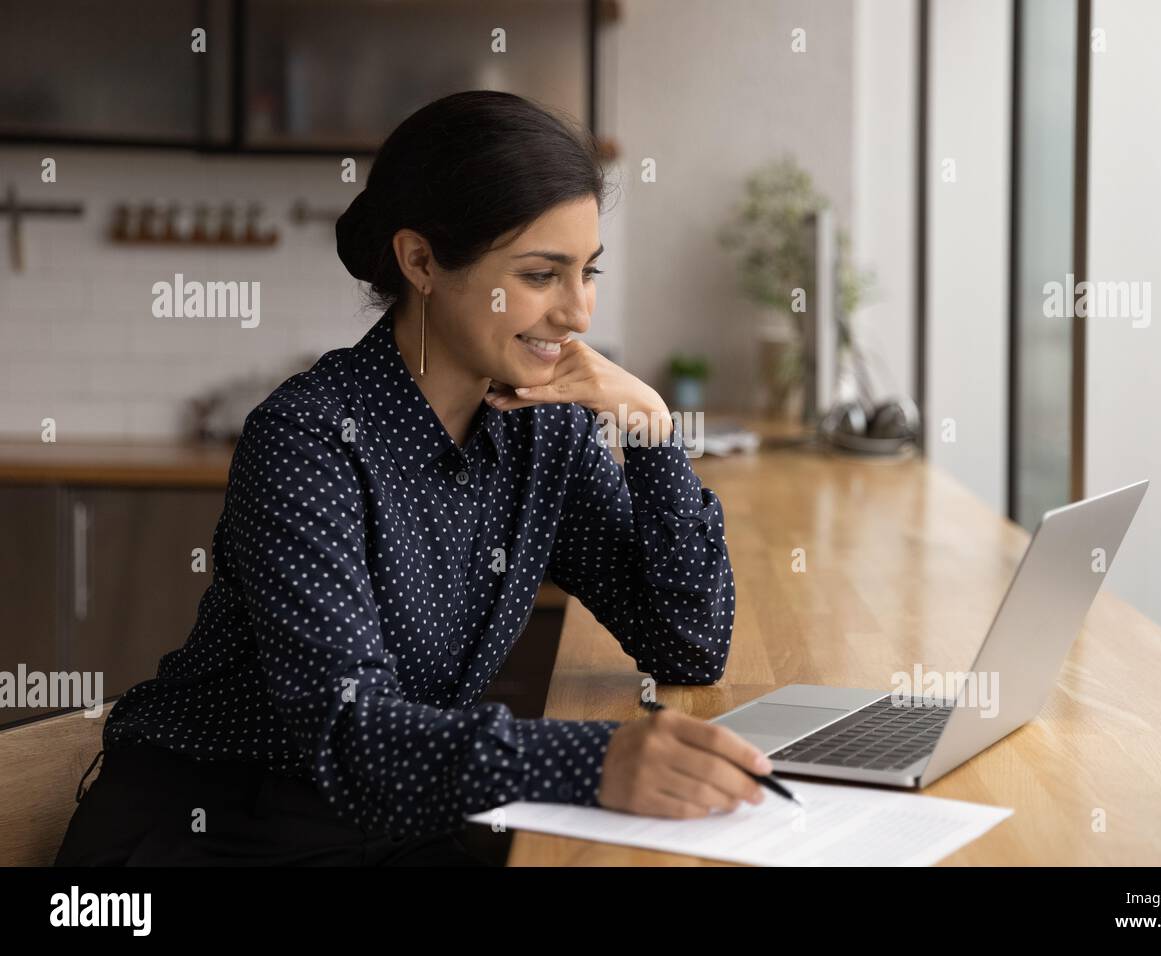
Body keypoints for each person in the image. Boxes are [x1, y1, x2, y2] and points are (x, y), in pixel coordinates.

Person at [56, 90, 769, 867]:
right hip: (212, 836)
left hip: (390, 828)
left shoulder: (545, 429)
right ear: (421, 261)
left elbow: (688, 644)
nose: (578, 313)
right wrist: (597, 761)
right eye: (541, 275)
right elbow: (351, 733)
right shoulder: (306, 440)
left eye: (587, 272)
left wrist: (653, 433)